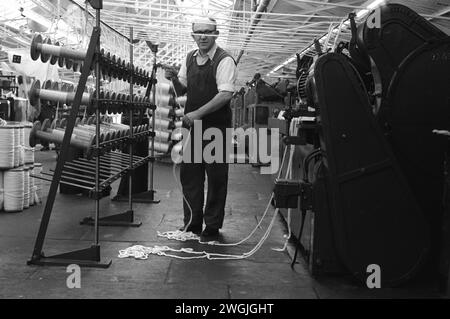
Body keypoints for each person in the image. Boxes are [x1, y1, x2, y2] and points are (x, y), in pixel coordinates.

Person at [165, 16, 237, 240]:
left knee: (216, 178)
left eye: (208, 31)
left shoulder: (224, 60)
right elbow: (184, 88)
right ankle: (193, 223)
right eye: (199, 32)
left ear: (216, 34)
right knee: (191, 176)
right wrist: (174, 79)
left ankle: (212, 225)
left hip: (216, 128)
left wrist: (196, 113)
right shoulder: (190, 58)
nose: (203, 36)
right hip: (193, 129)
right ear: (193, 35)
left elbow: (225, 94)